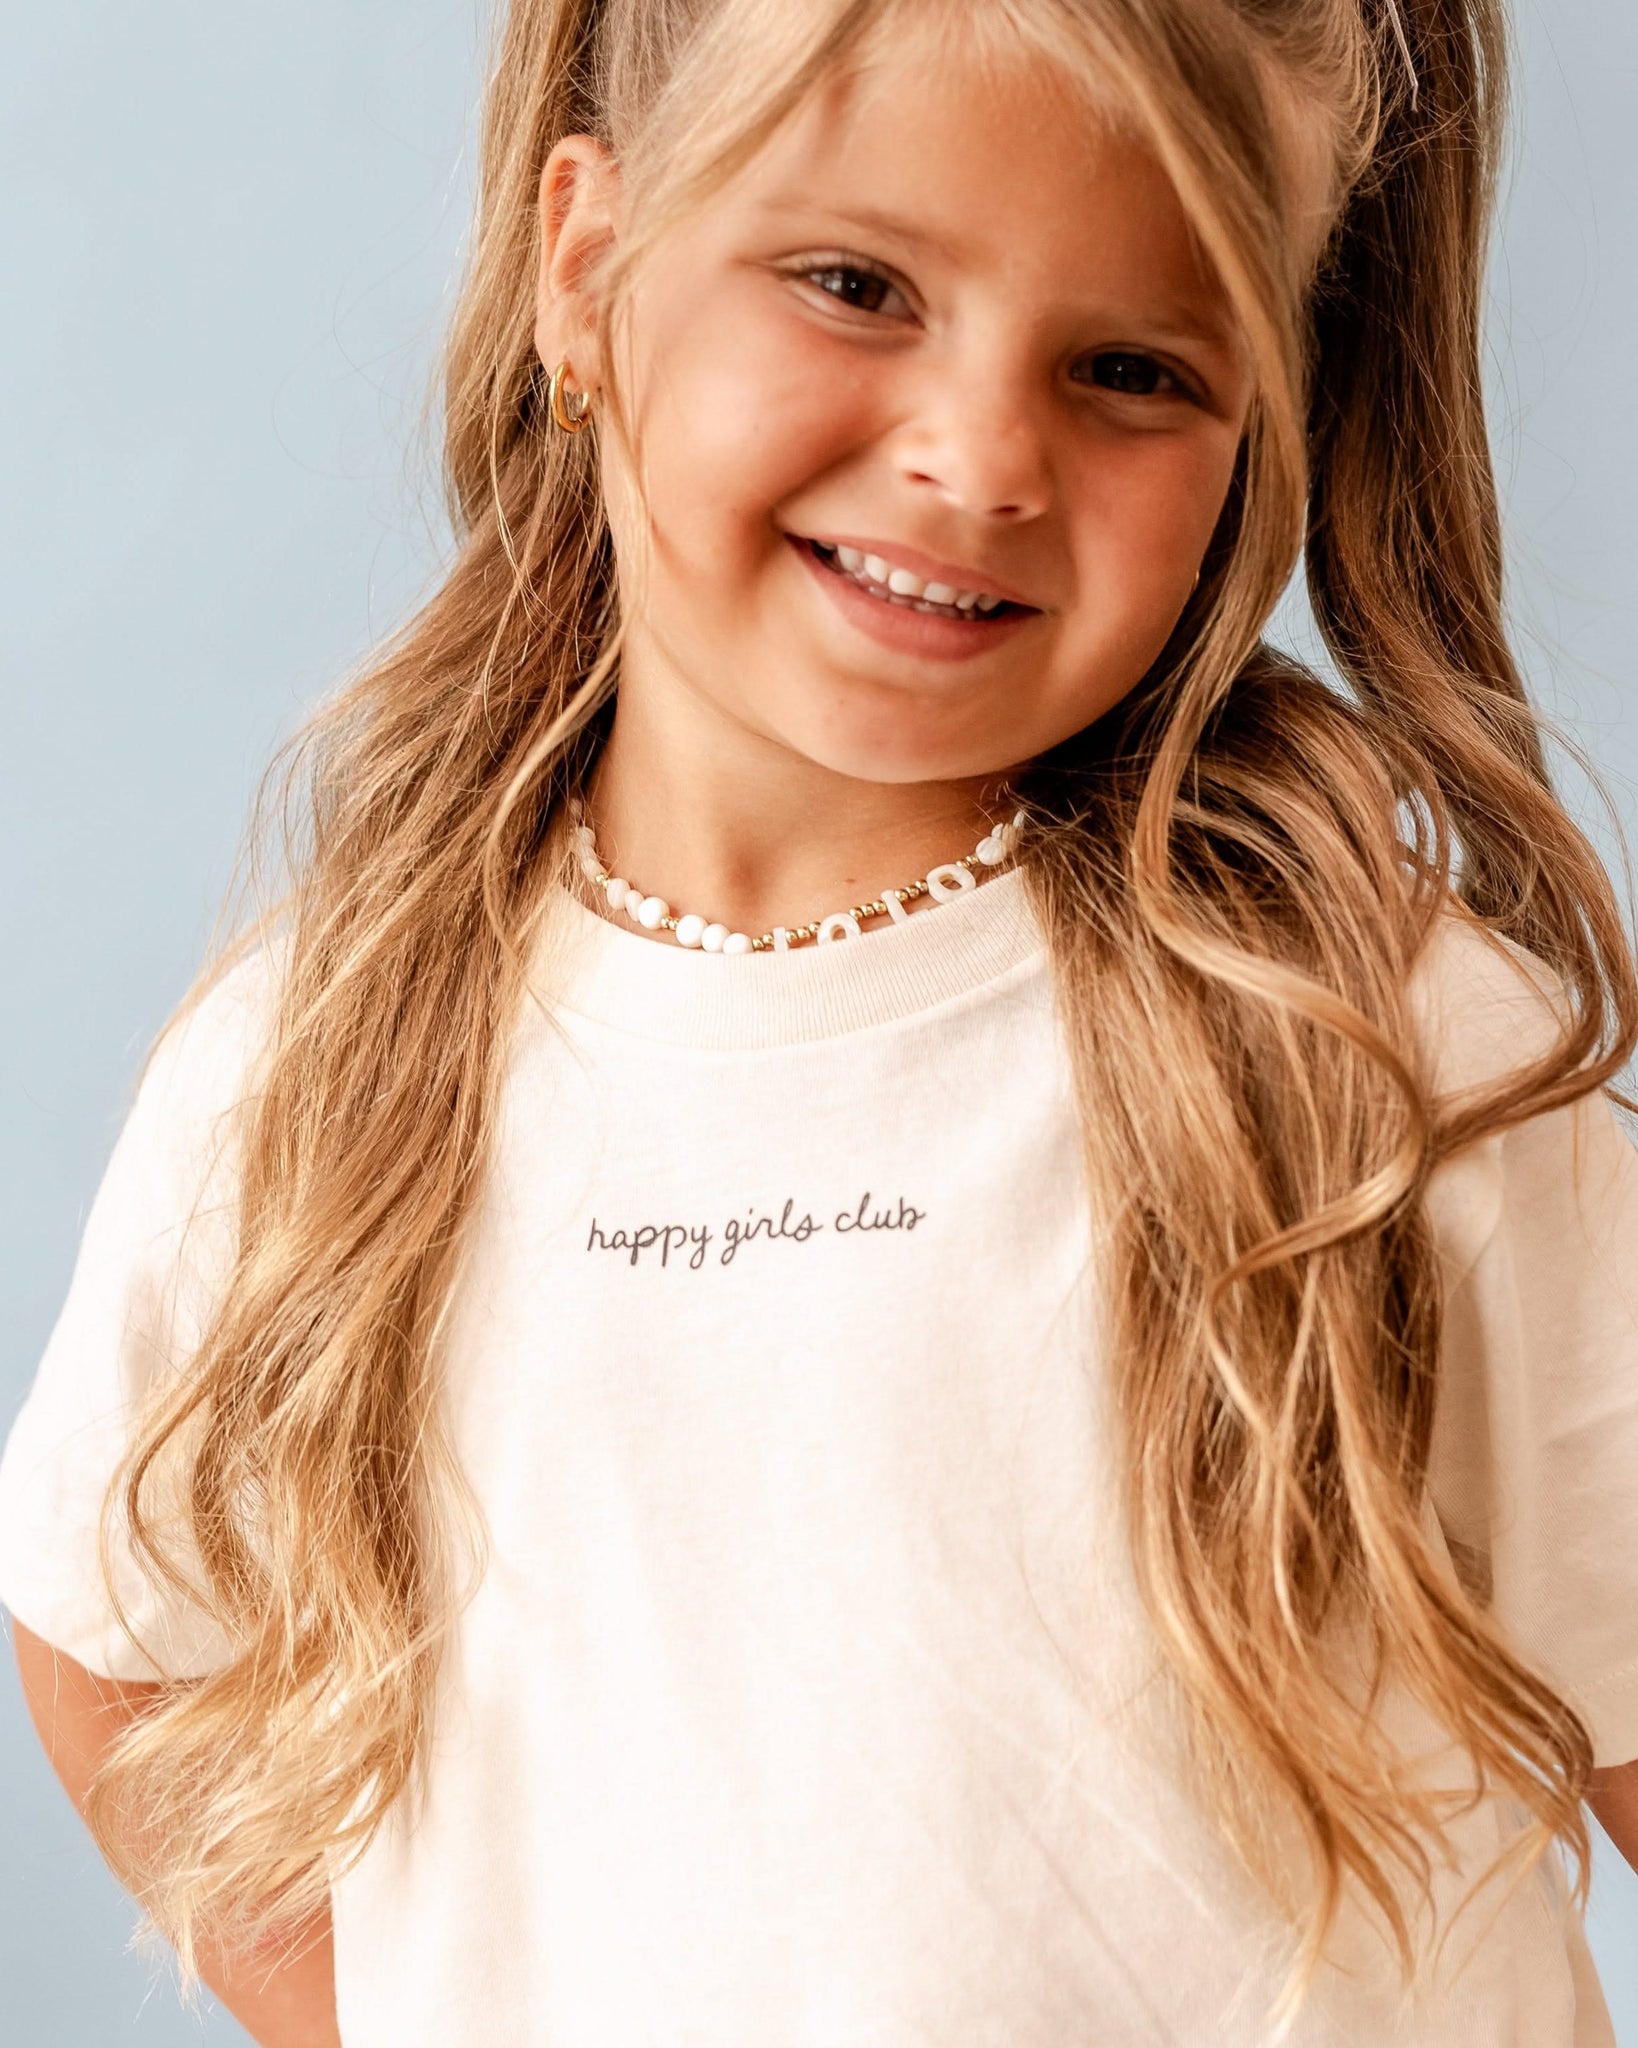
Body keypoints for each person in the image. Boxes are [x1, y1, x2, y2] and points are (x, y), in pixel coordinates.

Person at [3, 0, 1637, 2041]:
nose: (979, 460)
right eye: (856, 286)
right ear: (586, 265)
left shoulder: (1374, 1056)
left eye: (1133, 369)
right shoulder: (313, 1069)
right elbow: (110, 1628)